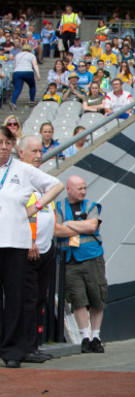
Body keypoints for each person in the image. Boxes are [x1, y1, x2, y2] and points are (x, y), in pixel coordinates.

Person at [0, 126, 63, 368]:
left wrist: (35, 208)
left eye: (7, 142)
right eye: (0, 142)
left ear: (13, 146)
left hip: (16, 243)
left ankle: (13, 351)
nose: (3, 146)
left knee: (16, 299)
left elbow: (56, 185)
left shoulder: (23, 170)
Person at [54, 175, 108, 354]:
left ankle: (96, 336)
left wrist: (68, 224)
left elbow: (92, 227)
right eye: (80, 189)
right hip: (70, 260)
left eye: (85, 188)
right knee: (77, 299)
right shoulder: (59, 207)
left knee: (96, 297)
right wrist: (79, 226)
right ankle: (85, 337)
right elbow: (56, 230)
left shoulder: (91, 206)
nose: (84, 191)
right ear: (68, 189)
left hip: (92, 257)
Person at [18, 136, 58, 363]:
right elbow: (18, 216)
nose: (38, 155)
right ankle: (25, 347)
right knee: (28, 300)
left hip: (46, 251)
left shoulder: (42, 182)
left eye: (40, 151)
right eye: (33, 151)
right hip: (28, 252)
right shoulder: (20, 181)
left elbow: (47, 218)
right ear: (21, 153)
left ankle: (33, 345)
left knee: (39, 299)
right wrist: (29, 241)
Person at [10, 43, 40, 111]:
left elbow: (14, 65)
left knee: (17, 88)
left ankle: (13, 102)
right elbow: (35, 65)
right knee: (32, 86)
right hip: (28, 71)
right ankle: (32, 100)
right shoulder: (31, 55)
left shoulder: (17, 55)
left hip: (17, 72)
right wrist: (38, 74)